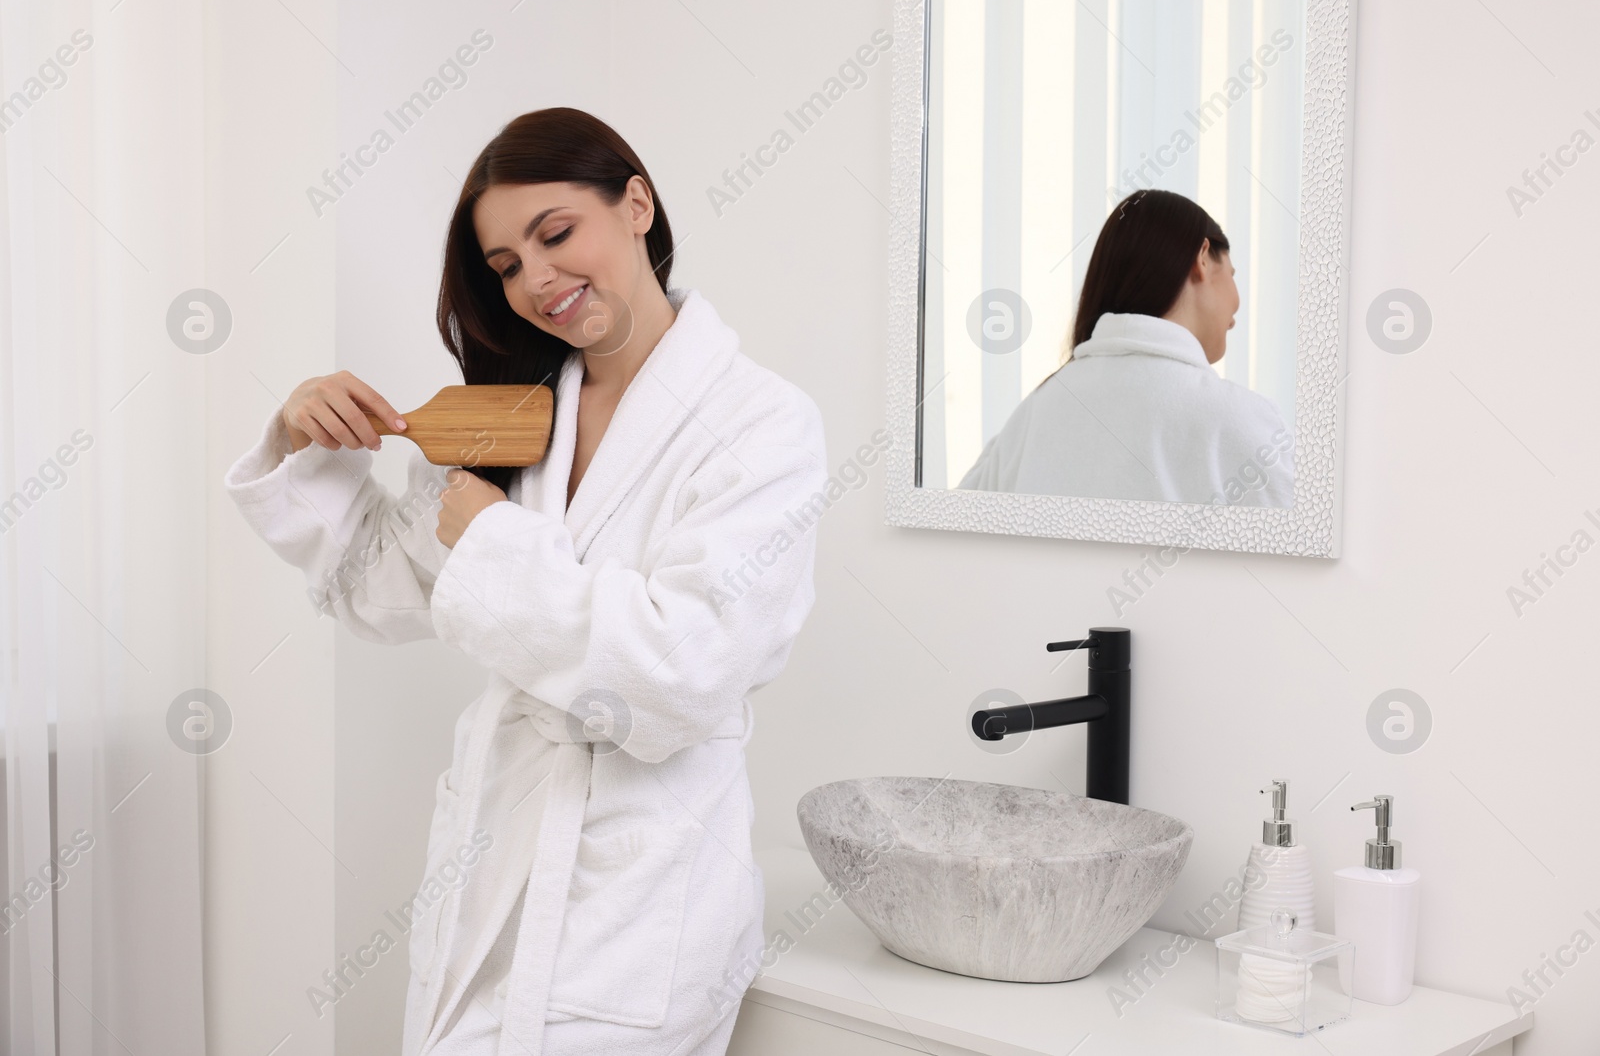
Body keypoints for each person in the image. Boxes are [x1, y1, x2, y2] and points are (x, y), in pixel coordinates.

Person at [223, 107, 827, 1055]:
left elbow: (679, 672)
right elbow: (380, 590)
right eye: (504, 265)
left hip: (636, 910)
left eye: (555, 234)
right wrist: (309, 444)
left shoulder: (763, 425)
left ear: (636, 205)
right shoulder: (504, 414)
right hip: (489, 877)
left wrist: (495, 541)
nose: (536, 279)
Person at [958, 189, 1293, 508]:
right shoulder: (1241, 421)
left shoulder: (1031, 416)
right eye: (1232, 273)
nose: (1238, 302)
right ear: (1203, 258)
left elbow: (956, 539)